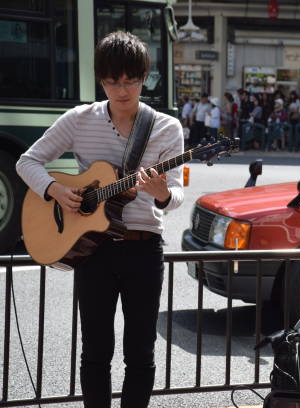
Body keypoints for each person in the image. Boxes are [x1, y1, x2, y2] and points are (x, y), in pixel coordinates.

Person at [15, 31, 184, 408]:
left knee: (141, 352)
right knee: (95, 351)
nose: (121, 90)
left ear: (145, 77)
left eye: (130, 81)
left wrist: (161, 193)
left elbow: (176, 197)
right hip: (94, 250)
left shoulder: (166, 128)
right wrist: (56, 191)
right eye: (112, 81)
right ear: (100, 80)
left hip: (143, 249)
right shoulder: (79, 119)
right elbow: (26, 161)